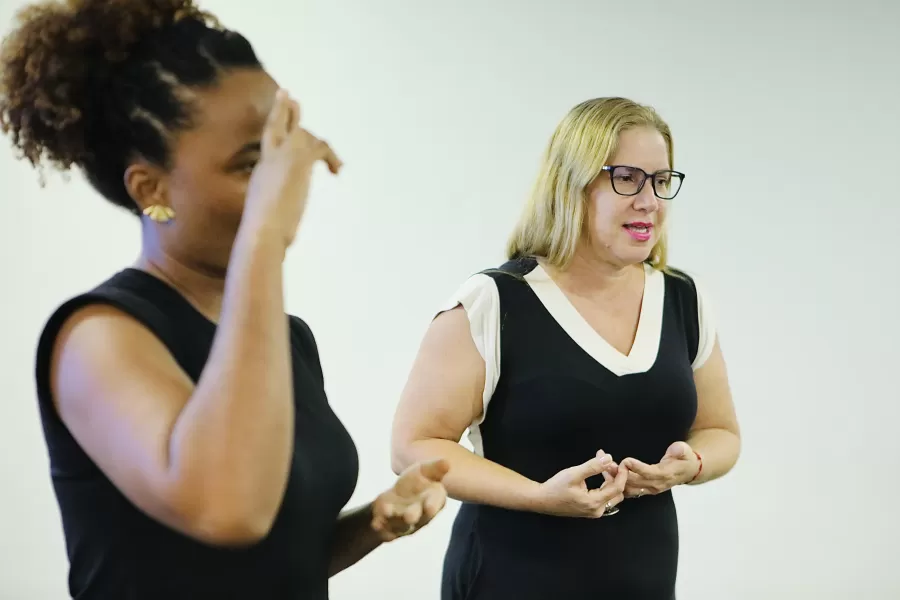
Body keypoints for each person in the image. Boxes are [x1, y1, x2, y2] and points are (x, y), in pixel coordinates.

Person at [0, 1, 448, 598]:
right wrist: (266, 234)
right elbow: (229, 509)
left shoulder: (287, 338)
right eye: (250, 164)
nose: (283, 181)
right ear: (151, 190)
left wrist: (373, 525)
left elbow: (273, 561)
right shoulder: (99, 336)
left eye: (279, 151)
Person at [390, 97, 742, 599]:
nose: (650, 201)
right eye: (627, 178)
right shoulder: (495, 302)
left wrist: (693, 463)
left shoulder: (684, 299)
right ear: (571, 185)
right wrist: (537, 496)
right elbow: (412, 446)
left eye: (661, 181)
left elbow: (721, 431)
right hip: (507, 580)